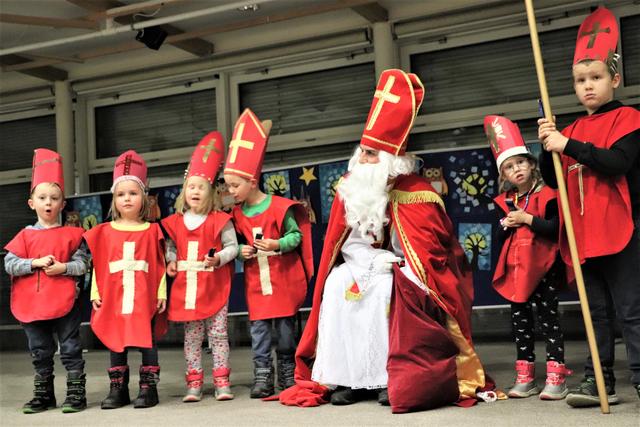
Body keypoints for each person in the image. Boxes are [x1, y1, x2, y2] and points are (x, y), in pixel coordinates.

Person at [278, 69, 496, 413]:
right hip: (357, 263)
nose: (362, 161)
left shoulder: (417, 194)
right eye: (362, 153)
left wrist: (391, 263)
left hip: (401, 268)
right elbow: (342, 243)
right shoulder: (350, 188)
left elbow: (431, 253)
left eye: (371, 155)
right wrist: (364, 262)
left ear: (391, 161)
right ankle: (346, 378)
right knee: (335, 286)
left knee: (386, 292)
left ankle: (385, 379)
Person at [537, 7, 640, 407]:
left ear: (614, 79)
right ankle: (599, 380)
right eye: (581, 81)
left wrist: (568, 145)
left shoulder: (630, 118)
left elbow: (617, 163)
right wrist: (548, 143)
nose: (588, 87)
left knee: (632, 310)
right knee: (596, 313)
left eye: (596, 78)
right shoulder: (572, 129)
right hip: (583, 234)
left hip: (622, 229)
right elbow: (553, 178)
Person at [223, 108, 314, 398]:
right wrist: (240, 250)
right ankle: (262, 376)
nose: (230, 191)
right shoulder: (236, 214)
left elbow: (296, 236)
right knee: (259, 331)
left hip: (282, 281)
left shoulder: (279, 207)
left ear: (252, 181)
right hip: (256, 284)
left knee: (285, 330)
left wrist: (277, 244)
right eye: (227, 186)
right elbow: (231, 244)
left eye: (235, 185)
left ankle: (288, 371)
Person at [485, 115, 570, 400]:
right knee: (521, 324)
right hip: (516, 271)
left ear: (531, 164)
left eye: (520, 162)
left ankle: (556, 377)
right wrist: (505, 224)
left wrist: (527, 218)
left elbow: (556, 229)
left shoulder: (548, 194)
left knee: (549, 322)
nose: (516, 169)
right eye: (509, 167)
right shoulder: (504, 202)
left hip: (544, 267)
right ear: (504, 175)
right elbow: (498, 241)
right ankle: (526, 376)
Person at [3, 149, 88, 414]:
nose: (48, 203)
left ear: (63, 204)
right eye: (42, 198)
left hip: (65, 302)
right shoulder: (24, 236)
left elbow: (83, 264)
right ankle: (44, 395)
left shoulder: (74, 235)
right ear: (32, 203)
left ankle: (76, 394)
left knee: (71, 346)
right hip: (31, 304)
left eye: (54, 198)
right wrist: (34, 263)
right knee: (40, 350)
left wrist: (64, 267)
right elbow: (9, 264)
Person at [83, 150, 167, 409]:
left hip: (144, 295)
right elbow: (99, 265)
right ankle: (118, 389)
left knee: (146, 339)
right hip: (114, 295)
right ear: (113, 199)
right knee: (116, 339)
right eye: (121, 194)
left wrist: (161, 293)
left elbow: (159, 265)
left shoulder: (153, 230)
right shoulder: (104, 232)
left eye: (133, 193)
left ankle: (148, 388)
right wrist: (95, 293)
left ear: (144, 197)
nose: (127, 198)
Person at [162, 132, 238, 402]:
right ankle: (194, 382)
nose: (195, 191)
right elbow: (171, 247)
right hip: (188, 289)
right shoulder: (174, 221)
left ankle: (221, 381)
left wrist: (219, 258)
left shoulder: (221, 220)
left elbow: (233, 247)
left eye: (201, 187)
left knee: (218, 334)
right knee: (192, 337)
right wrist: (171, 261)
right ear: (184, 190)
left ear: (211, 192)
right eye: (191, 186)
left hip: (214, 286)